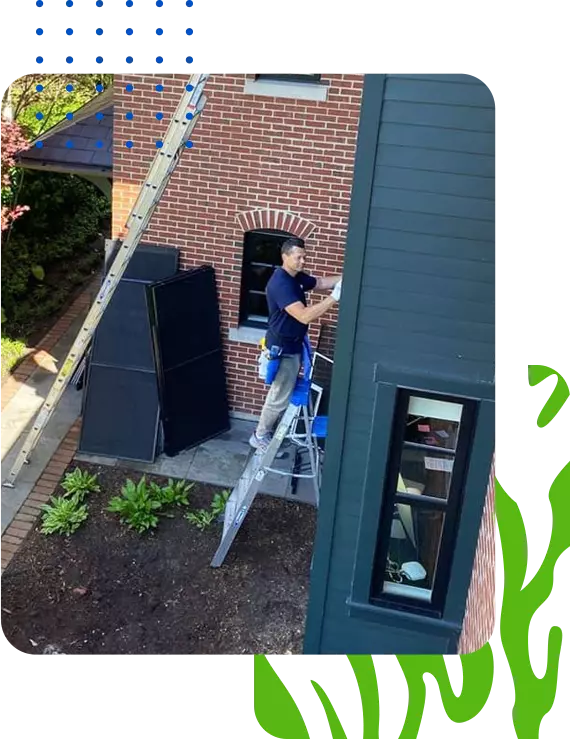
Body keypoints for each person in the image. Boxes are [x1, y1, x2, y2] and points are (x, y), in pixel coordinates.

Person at [250, 237, 342, 452]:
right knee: (279, 395)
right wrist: (334, 298)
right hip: (283, 349)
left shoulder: (295, 277)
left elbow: (319, 283)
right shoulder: (281, 284)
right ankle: (260, 435)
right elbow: (303, 316)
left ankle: (265, 432)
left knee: (283, 391)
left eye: (304, 257)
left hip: (294, 345)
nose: (303, 261)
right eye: (298, 257)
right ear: (285, 257)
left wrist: (347, 278)